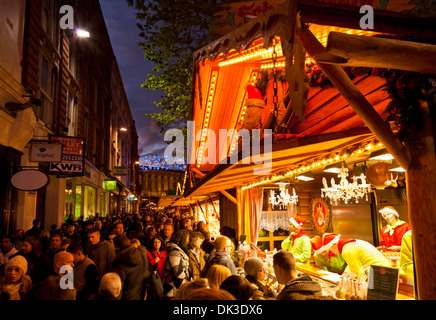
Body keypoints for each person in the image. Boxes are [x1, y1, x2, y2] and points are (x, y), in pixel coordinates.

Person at [320, 233, 389, 279]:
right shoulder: (349, 243)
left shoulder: (346, 250)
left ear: (334, 244)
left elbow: (358, 272)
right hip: (383, 267)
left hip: (377, 271)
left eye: (330, 249)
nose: (332, 252)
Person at [111, 234, 150, 300]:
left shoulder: (120, 263)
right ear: (129, 241)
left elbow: (119, 289)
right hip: (142, 294)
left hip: (128, 297)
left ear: (117, 248)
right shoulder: (143, 253)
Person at [162, 229, 191, 299]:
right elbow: (177, 272)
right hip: (173, 289)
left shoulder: (180, 251)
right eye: (187, 238)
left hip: (179, 287)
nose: (188, 241)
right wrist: (185, 285)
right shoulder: (174, 252)